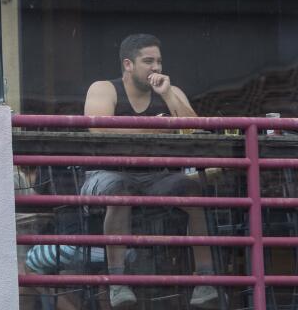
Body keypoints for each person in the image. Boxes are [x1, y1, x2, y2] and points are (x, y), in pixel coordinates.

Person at [81, 33, 222, 310]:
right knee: (119, 191)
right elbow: (99, 129)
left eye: (158, 61)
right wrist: (155, 126)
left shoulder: (170, 91)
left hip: (158, 176)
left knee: (192, 190)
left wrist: (168, 94)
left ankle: (205, 281)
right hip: (106, 173)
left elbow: (196, 129)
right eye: (148, 61)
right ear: (128, 64)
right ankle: (118, 282)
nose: (156, 68)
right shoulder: (104, 89)